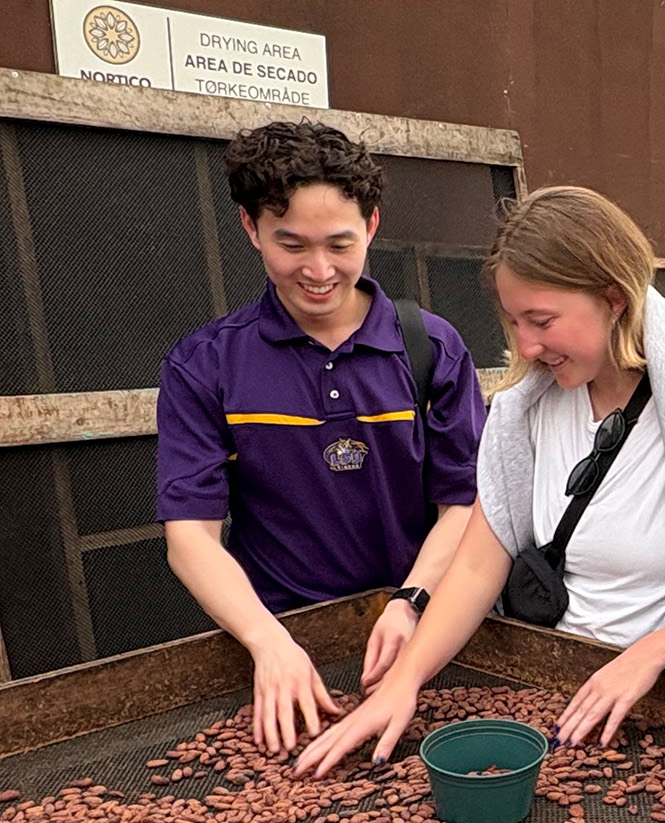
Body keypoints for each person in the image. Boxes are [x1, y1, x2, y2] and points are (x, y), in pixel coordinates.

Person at [294, 185, 665, 777]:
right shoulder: (526, 412)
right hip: (551, 698)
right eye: (514, 321)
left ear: (614, 298)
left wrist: (655, 652)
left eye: (542, 321)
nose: (525, 345)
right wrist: (405, 680)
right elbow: (475, 564)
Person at [157, 121, 485, 756]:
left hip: (422, 633)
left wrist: (411, 602)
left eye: (339, 243)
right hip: (281, 638)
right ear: (251, 229)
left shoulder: (432, 347)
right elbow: (189, 536)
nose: (318, 270)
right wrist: (266, 641)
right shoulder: (207, 364)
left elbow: (466, 506)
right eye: (291, 244)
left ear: (371, 226)